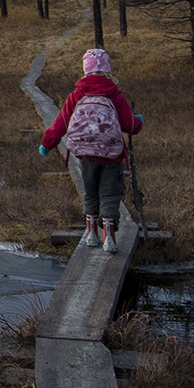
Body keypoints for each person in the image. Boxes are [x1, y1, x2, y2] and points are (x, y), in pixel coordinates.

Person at [38, 47, 143, 253]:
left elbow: (61, 122)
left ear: (85, 69)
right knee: (110, 193)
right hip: (111, 155)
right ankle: (109, 237)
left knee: (90, 190)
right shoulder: (114, 94)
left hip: (85, 153)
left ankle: (91, 234)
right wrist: (138, 120)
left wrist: (47, 144)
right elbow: (130, 125)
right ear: (108, 70)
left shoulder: (78, 94)